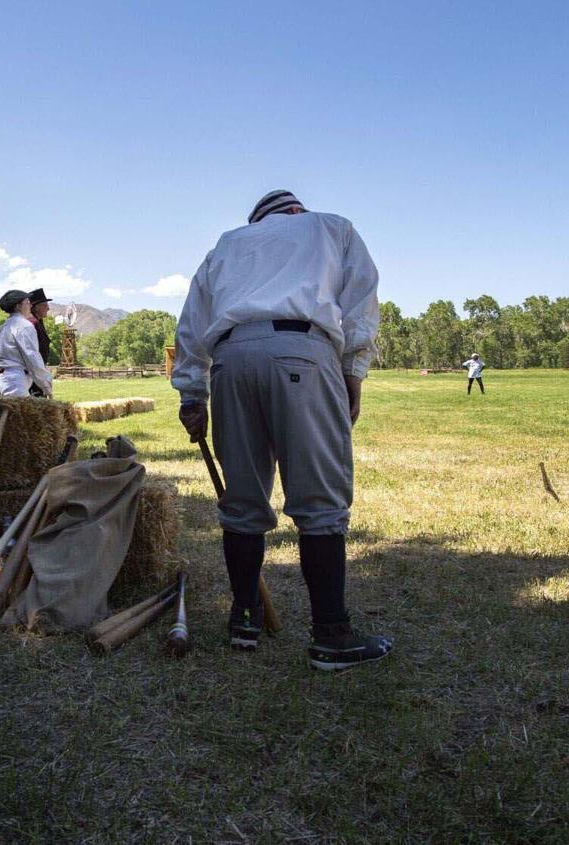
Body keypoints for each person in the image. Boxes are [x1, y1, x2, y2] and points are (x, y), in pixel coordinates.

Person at [172, 189, 390, 671]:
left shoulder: (227, 244)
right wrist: (353, 369)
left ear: (257, 221)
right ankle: (332, 635)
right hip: (301, 351)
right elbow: (359, 299)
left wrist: (192, 393)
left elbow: (191, 324)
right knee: (320, 500)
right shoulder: (331, 227)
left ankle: (243, 619)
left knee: (243, 498)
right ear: (296, 211)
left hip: (230, 360)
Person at [0, 289, 52, 397]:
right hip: (14, 380)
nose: (30, 306)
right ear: (18, 306)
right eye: (27, 302)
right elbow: (32, 357)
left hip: (0, 379)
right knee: (20, 413)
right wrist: (46, 385)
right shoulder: (24, 326)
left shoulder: (3, 327)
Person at [26, 288, 52, 396]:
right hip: (32, 374)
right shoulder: (32, 323)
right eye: (45, 305)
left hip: (37, 371)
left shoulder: (38, 322)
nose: (48, 308)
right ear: (36, 307)